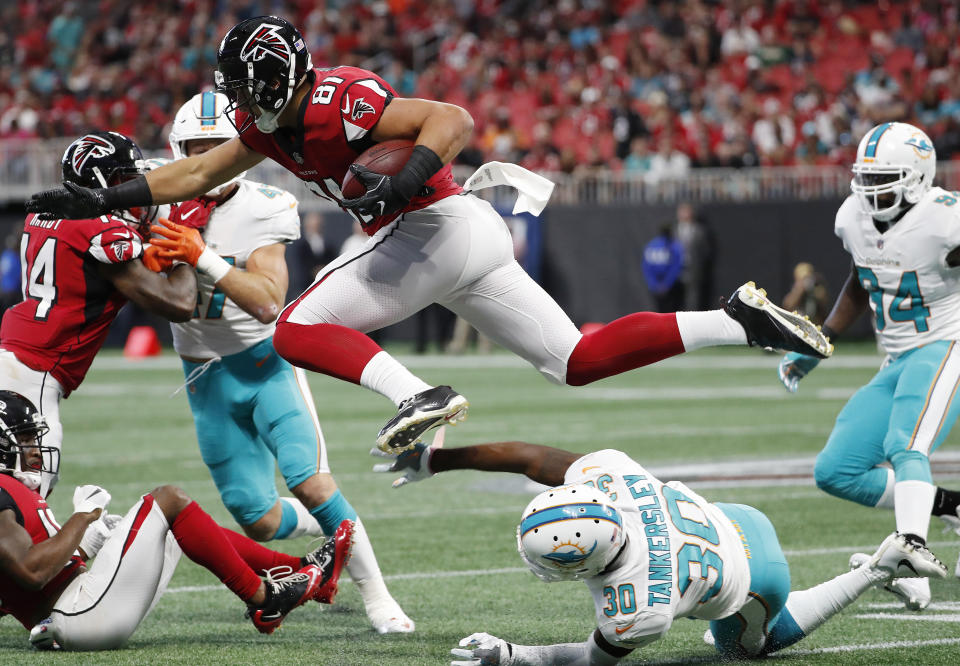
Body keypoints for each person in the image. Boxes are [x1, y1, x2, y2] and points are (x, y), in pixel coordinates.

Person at [26, 16, 832, 455]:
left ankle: (418, 394)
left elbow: (451, 119)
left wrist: (406, 178)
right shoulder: (268, 123)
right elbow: (193, 176)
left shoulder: (335, 97)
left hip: (431, 224)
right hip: (464, 236)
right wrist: (102, 195)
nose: (241, 103)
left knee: (297, 327)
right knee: (575, 363)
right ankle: (737, 320)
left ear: (283, 78)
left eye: (249, 89)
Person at [146, 92, 412, 634]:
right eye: (195, 149)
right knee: (259, 520)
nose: (206, 160)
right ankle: (331, 538)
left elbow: (268, 300)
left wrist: (202, 256)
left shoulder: (263, 205)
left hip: (266, 364)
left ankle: (378, 595)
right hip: (203, 377)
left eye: (217, 146)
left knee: (311, 482)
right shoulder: (155, 198)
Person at [372, 433, 938, 664]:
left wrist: (518, 655)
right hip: (737, 519)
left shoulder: (636, 606)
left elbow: (589, 660)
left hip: (757, 574)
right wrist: (436, 457)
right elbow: (527, 456)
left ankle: (882, 565)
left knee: (742, 650)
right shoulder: (609, 479)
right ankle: (882, 563)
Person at [0, 389, 354, 649]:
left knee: (174, 528)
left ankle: (298, 570)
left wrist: (87, 541)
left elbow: (18, 581)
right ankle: (265, 600)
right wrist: (81, 519)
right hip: (77, 612)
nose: (34, 448)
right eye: (25, 438)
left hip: (78, 610)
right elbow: (33, 573)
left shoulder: (11, 489)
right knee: (167, 500)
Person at [778, 122, 960, 610]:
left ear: (918, 177)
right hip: (896, 357)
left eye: (886, 178)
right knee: (837, 469)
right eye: (867, 177)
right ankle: (951, 509)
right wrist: (821, 339)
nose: (872, 189)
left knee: (906, 446)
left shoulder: (945, 219)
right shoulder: (852, 218)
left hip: (946, 346)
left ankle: (912, 554)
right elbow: (863, 279)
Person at [3, 131, 197, 496]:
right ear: (99, 181)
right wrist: (185, 248)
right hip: (35, 373)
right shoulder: (101, 230)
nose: (134, 191)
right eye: (125, 180)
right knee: (28, 500)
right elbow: (179, 304)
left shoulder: (48, 212)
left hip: (16, 355)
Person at [640, 225, 685, 313]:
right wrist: (666, 285)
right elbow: (676, 268)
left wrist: (655, 285)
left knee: (659, 314)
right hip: (673, 288)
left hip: (657, 289)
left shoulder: (651, 245)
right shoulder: (675, 246)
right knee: (673, 315)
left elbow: (647, 268)